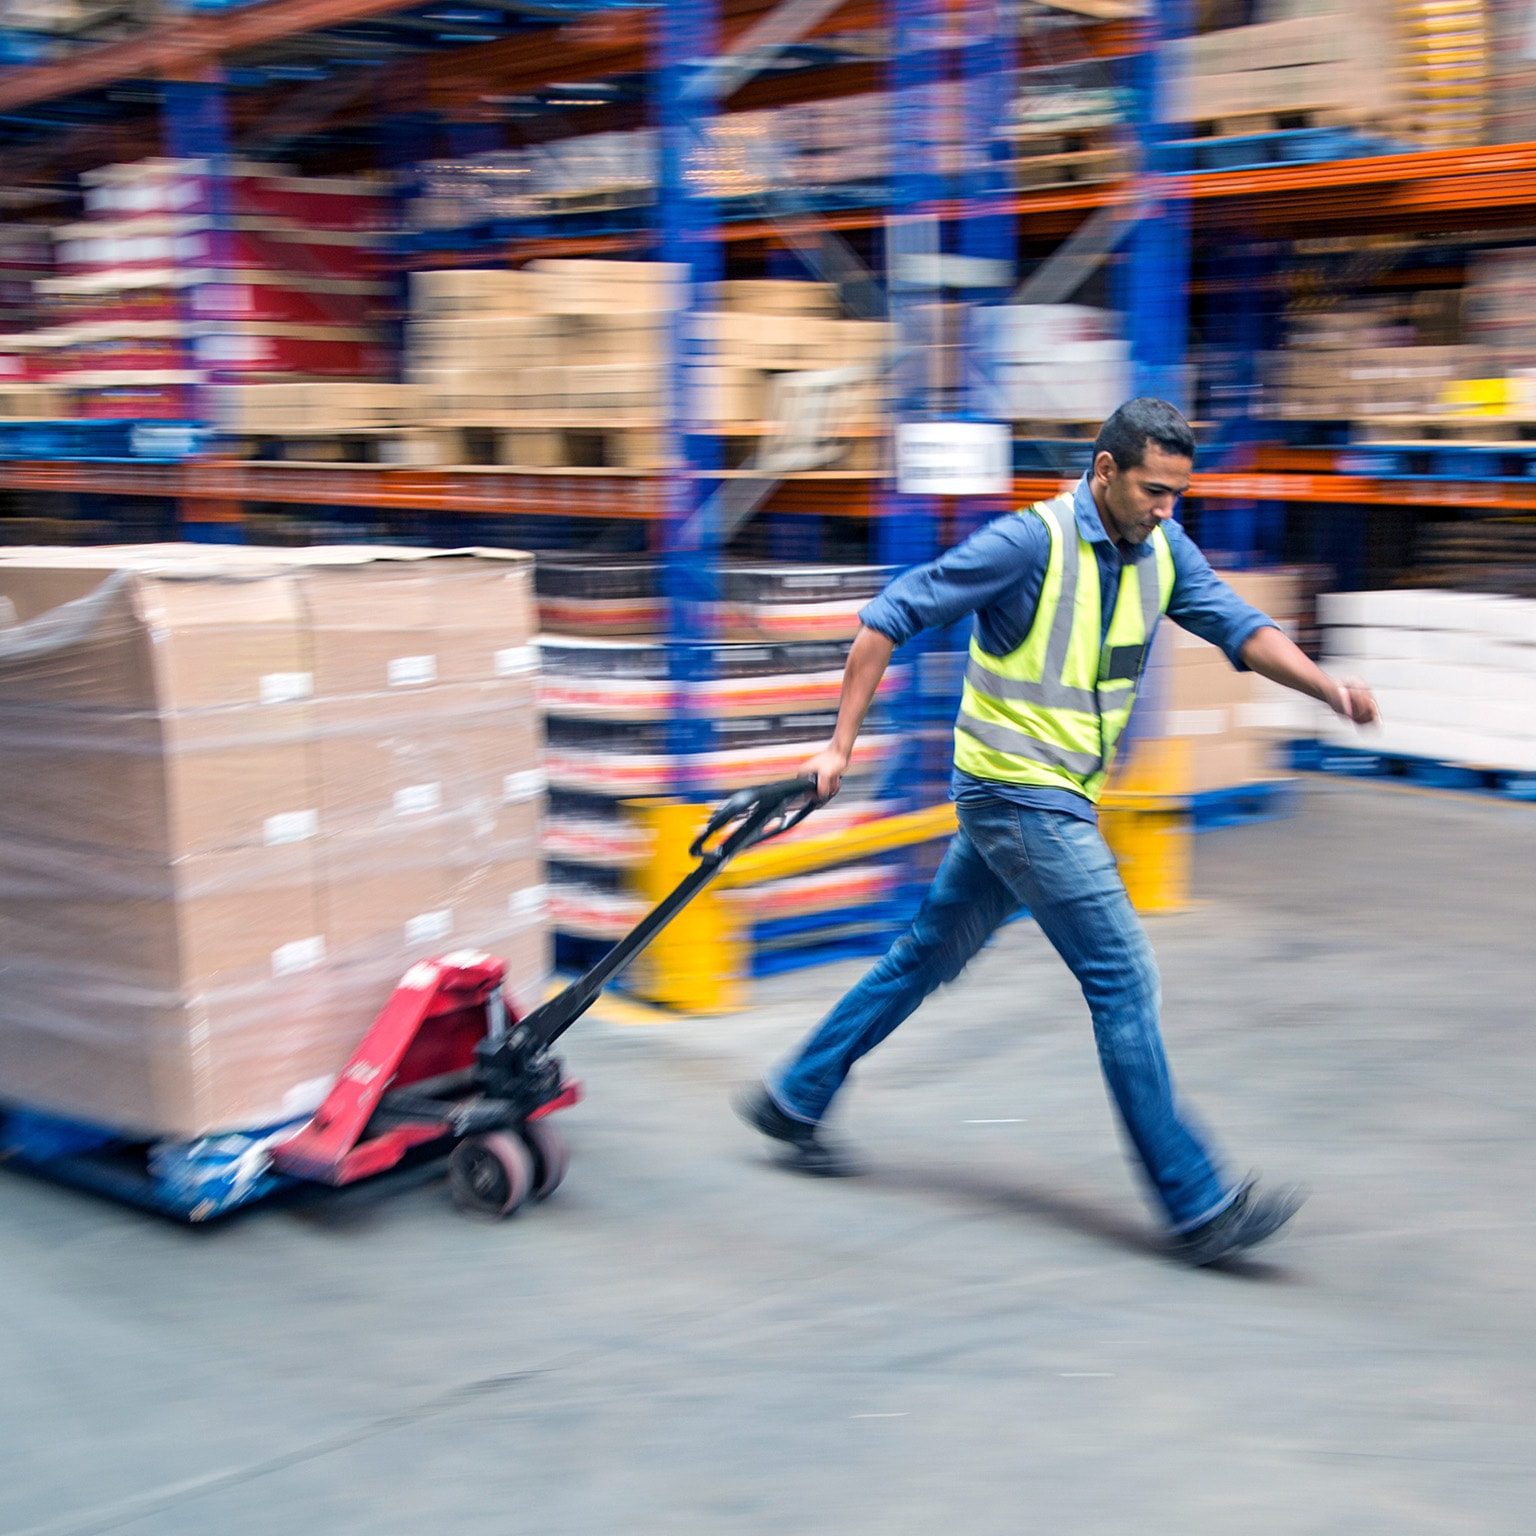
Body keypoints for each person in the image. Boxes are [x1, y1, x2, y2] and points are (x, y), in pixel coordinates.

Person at [735, 398, 1378, 1267]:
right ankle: (1196, 1205)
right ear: (1104, 471)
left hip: (1057, 797)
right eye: (1154, 490)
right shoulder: (1025, 545)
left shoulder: (1161, 550)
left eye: (1179, 494)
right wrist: (838, 746)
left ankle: (795, 1095)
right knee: (1122, 974)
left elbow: (1240, 626)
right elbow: (886, 619)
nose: (1167, 509)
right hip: (1016, 796)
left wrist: (1327, 689)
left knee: (929, 952)